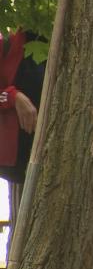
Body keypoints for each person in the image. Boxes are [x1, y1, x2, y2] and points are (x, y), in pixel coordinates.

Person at [0, 28, 46, 252]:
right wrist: (13, 96)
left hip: (56, 148)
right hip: (22, 155)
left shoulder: (65, 36)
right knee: (23, 230)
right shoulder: (9, 41)